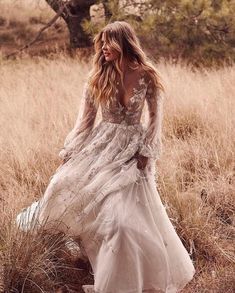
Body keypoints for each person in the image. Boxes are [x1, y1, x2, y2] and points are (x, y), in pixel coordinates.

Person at [16, 21, 195, 293]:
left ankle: (126, 279)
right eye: (101, 43)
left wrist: (146, 152)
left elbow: (156, 120)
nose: (102, 49)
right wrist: (71, 150)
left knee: (123, 220)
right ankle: (76, 251)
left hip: (132, 152)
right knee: (62, 185)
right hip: (100, 147)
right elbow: (85, 122)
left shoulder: (147, 75)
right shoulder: (97, 77)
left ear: (124, 42)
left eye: (108, 43)